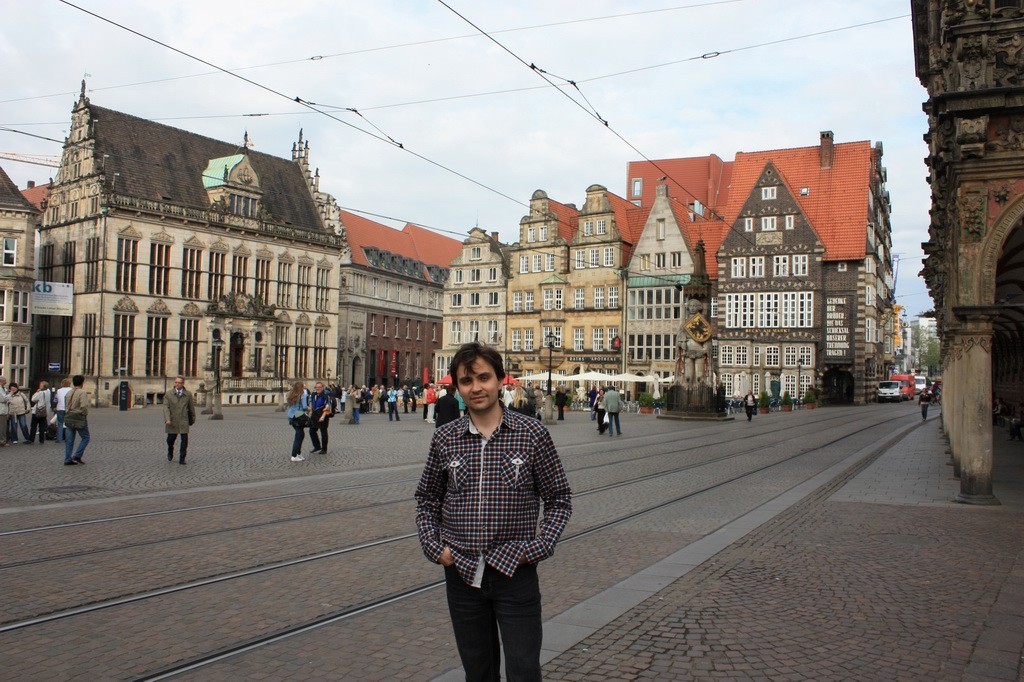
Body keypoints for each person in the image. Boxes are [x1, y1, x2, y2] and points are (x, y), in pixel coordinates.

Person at [415, 342, 572, 681]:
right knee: (478, 672)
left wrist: (539, 546)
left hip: (515, 573)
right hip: (462, 573)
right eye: (466, 381)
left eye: (483, 378)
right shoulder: (445, 438)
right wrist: (435, 548)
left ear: (500, 380)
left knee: (523, 670)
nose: (476, 387)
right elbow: (427, 500)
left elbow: (559, 498)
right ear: (458, 388)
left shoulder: (532, 434)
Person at [163, 376, 195, 464]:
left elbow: (191, 408)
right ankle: (170, 450)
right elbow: (166, 408)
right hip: (172, 421)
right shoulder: (169, 394)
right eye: (176, 382)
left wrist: (192, 419)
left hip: (183, 420)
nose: (177, 384)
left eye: (179, 383)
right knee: (170, 440)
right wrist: (167, 419)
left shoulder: (188, 394)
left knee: (184, 440)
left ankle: (182, 458)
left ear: (183, 384)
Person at [63, 375, 90, 465]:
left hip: (68, 416)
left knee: (69, 440)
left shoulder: (69, 392)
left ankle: (67, 459)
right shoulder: (82, 393)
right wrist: (84, 414)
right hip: (78, 417)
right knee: (85, 437)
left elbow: (66, 405)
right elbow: (83, 406)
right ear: (82, 383)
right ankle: (77, 455)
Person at [286, 381, 309, 461]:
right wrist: (309, 409)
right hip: (298, 415)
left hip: (291, 415)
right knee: (299, 435)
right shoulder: (302, 395)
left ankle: (298, 453)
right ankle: (294, 455)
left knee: (300, 434)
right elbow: (305, 407)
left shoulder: (290, 394)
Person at [308, 382, 332, 454]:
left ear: (322, 388)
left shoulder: (326, 395)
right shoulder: (313, 394)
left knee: (323, 432)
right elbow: (311, 403)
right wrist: (310, 411)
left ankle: (324, 449)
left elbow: (328, 406)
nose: (317, 388)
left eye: (319, 387)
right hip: (314, 415)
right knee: (312, 431)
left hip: (322, 414)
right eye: (316, 387)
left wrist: (323, 416)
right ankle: (317, 446)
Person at [53, 378, 72, 443]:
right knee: (68, 424)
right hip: (68, 409)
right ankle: (67, 438)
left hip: (60, 408)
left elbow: (55, 400)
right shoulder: (71, 390)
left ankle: (59, 438)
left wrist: (55, 406)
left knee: (60, 424)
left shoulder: (59, 390)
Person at [0, 376, 10, 447]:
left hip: (3, 410)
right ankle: (2, 441)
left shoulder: (4, 388)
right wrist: (10, 394)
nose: (6, 382)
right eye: (5, 381)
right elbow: (3, 399)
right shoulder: (0, 389)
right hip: (1, 410)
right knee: (2, 427)